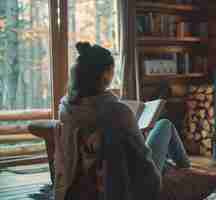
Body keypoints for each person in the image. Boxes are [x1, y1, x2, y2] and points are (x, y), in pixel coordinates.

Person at [55, 42, 190, 200]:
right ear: (105, 74)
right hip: (131, 191)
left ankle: (177, 168)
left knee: (155, 143)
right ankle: (186, 172)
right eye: (112, 70)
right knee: (164, 125)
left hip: (78, 187)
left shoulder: (66, 109)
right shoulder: (116, 112)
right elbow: (144, 163)